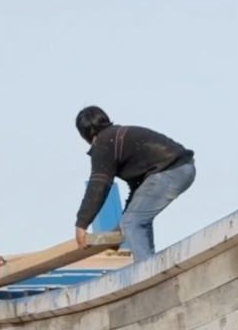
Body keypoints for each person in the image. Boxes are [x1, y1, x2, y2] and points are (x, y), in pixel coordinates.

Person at [73, 106, 195, 258]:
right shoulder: (119, 139)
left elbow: (98, 186)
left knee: (132, 223)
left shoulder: (104, 144)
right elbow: (138, 191)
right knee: (135, 220)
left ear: (84, 134)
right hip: (182, 169)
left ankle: (147, 271)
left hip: (170, 171)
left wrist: (82, 223)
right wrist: (120, 227)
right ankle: (149, 264)